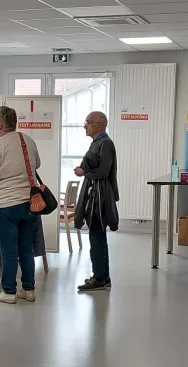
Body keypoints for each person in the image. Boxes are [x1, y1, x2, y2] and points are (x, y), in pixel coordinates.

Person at [0, 106, 41, 304]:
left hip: (6, 204)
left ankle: (9, 291)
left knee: (8, 250)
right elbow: (37, 164)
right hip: (29, 203)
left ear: (0, 125)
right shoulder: (27, 140)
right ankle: (29, 289)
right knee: (26, 249)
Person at [74, 111, 119, 292]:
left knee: (96, 237)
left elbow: (103, 171)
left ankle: (99, 278)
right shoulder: (97, 143)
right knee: (98, 237)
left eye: (88, 122)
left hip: (99, 199)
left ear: (99, 126)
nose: (85, 126)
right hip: (95, 196)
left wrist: (84, 172)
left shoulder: (105, 144)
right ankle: (103, 277)